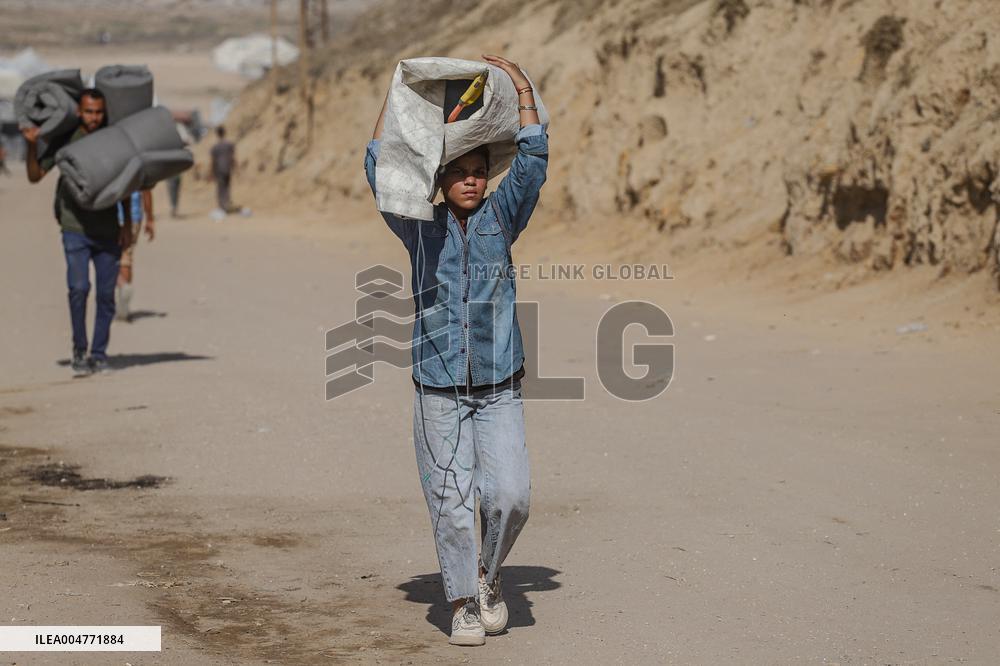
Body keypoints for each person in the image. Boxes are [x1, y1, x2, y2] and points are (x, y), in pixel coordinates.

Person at [364, 54, 547, 647]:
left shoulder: (502, 217)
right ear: (439, 178)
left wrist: (519, 86)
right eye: (458, 171)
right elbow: (380, 164)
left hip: (499, 388)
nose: (471, 180)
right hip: (437, 391)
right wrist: (400, 99)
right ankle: (465, 602)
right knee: (450, 502)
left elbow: (533, 163)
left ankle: (489, 577)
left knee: (511, 497)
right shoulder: (417, 226)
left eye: (478, 171)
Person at [23, 88, 132, 376]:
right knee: (79, 289)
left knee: (106, 296)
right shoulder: (65, 140)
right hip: (75, 228)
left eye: (98, 112)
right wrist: (32, 146)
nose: (94, 118)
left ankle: (99, 354)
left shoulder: (112, 139)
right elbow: (35, 176)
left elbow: (123, 184)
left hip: (108, 229)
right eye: (89, 112)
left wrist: (127, 226)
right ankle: (79, 350)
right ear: (78, 112)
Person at [116, 189, 155, 322]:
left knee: (106, 256)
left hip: (110, 216)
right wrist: (150, 218)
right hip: (134, 217)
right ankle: (124, 300)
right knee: (126, 257)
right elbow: (147, 190)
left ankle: (121, 285)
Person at [209, 125, 236, 213]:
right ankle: (227, 204)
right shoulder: (229, 145)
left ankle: (222, 206)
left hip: (219, 169)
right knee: (227, 187)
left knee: (221, 188)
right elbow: (232, 157)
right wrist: (235, 167)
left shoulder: (215, 147)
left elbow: (213, 161)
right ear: (224, 133)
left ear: (217, 134)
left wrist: (211, 172)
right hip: (227, 168)